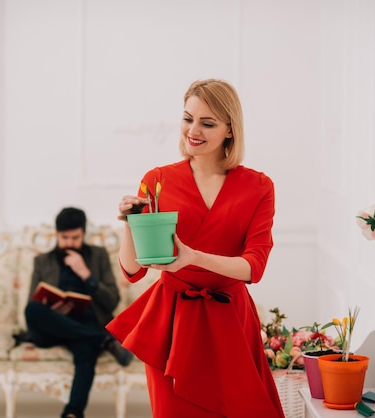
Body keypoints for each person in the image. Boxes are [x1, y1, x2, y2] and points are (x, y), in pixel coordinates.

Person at [106, 79, 285, 418]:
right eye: (188, 118)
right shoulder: (157, 180)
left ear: (230, 129)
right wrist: (129, 222)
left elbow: (254, 267)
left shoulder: (259, 187)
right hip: (172, 323)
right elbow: (133, 270)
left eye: (207, 123)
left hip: (229, 319)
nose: (193, 130)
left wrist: (193, 257)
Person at [24, 207, 134, 418]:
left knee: (86, 349)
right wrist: (53, 310)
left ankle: (72, 413)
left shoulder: (98, 256)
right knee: (33, 309)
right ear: (56, 235)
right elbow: (33, 304)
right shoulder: (42, 261)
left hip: (84, 326)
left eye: (75, 237)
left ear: (84, 233)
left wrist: (85, 273)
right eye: (64, 237)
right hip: (51, 329)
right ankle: (104, 341)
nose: (69, 243)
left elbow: (112, 301)